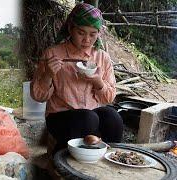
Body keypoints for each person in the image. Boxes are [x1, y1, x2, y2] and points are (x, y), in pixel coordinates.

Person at [31, 3, 123, 153]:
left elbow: (109, 98)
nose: (87, 39)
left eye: (93, 34)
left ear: (98, 33)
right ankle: (62, 159)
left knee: (113, 118)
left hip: (92, 113)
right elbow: (38, 96)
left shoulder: (102, 57)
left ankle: (108, 158)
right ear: (70, 29)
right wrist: (48, 74)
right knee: (88, 118)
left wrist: (98, 81)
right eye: (81, 33)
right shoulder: (53, 54)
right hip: (60, 116)